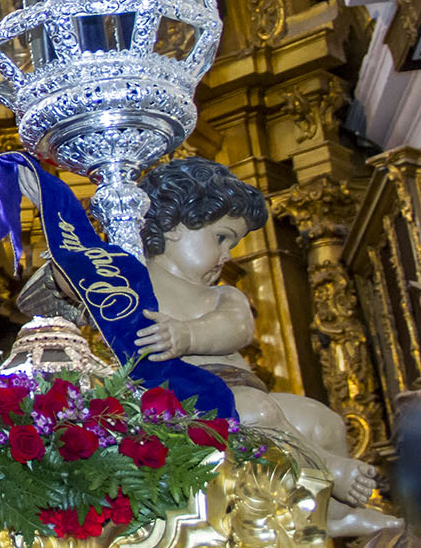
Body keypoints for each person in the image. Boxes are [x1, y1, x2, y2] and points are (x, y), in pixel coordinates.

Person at [133, 157, 400, 537]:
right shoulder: (138, 281)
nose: (227, 256)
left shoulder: (222, 294)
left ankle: (335, 516)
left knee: (321, 419)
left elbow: (236, 328)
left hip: (244, 390)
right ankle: (329, 471)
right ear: (175, 225)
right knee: (255, 411)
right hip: (187, 403)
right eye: (221, 237)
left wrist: (188, 335)